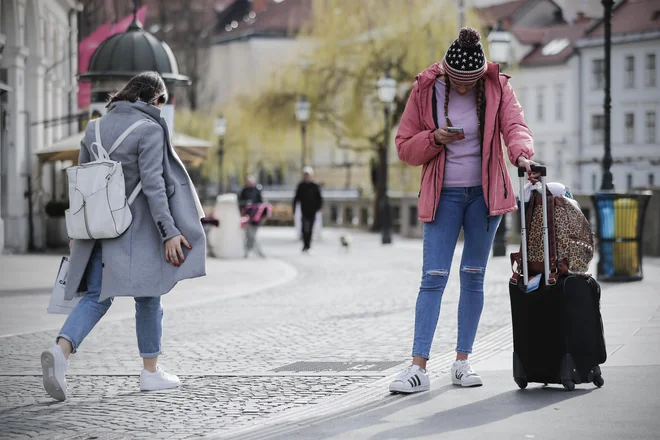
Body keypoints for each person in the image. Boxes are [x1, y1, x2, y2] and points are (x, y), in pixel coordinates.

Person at [40, 72, 207, 401]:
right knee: (149, 297)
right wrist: (170, 231)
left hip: (99, 229)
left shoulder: (95, 127)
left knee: (97, 296)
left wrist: (78, 231)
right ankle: (150, 372)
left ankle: (61, 352)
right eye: (162, 101)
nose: (162, 107)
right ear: (153, 98)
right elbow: (155, 186)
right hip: (137, 230)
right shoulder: (149, 129)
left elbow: (82, 185)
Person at [389, 27, 539, 393]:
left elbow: (514, 125)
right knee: (434, 276)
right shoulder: (426, 88)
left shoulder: (497, 86)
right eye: (455, 81)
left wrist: (521, 154)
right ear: (446, 72)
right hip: (443, 195)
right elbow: (404, 146)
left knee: (473, 274)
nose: (460, 88)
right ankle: (418, 368)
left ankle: (462, 362)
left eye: (467, 83)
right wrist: (434, 138)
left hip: (485, 197)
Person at [293, 167, 323, 253]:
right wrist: (294, 210)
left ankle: (308, 246)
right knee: (304, 228)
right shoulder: (301, 185)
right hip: (303, 210)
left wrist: (319, 208)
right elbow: (296, 198)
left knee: (310, 228)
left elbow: (320, 198)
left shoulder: (315, 186)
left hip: (313, 211)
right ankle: (304, 245)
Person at [238, 176, 267, 258]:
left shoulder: (257, 190)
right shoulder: (244, 191)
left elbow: (261, 203)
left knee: (252, 235)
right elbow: (240, 202)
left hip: (256, 216)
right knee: (249, 234)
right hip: (247, 215)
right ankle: (253, 251)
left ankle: (251, 250)